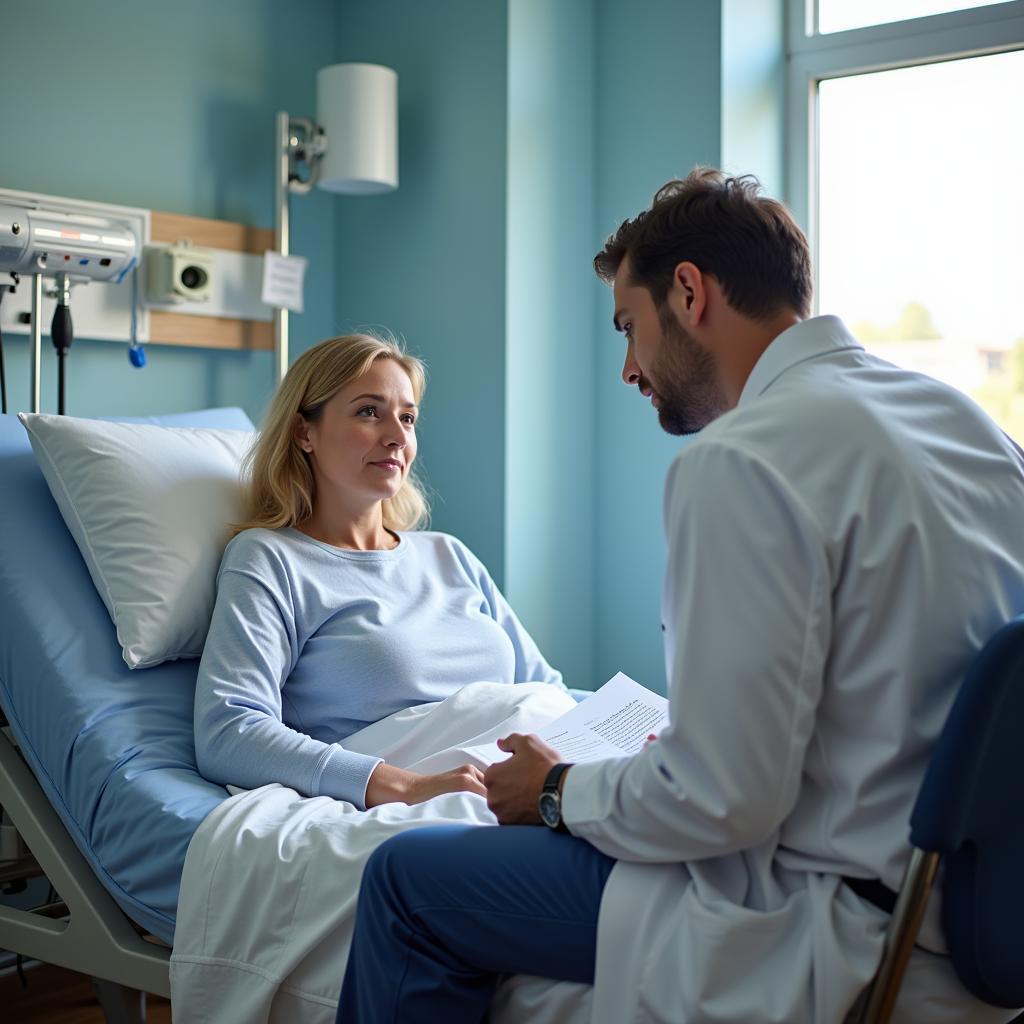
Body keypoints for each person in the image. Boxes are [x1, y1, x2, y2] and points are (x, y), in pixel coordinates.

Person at [335, 170, 1024, 1023]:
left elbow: (722, 798)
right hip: (979, 911)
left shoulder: (742, 459)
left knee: (405, 880)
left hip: (834, 916)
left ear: (689, 293)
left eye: (630, 328)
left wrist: (554, 792)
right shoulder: (970, 429)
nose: (629, 369)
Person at [193, 333, 565, 811]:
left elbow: (545, 689)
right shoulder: (269, 559)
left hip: (534, 783)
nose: (397, 436)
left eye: (407, 417)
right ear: (304, 432)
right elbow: (229, 733)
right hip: (432, 795)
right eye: (369, 412)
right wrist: (405, 786)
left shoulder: (448, 554)